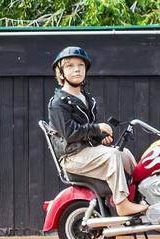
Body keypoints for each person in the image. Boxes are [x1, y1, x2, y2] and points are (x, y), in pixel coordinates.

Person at [47, 46, 146, 218]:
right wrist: (97, 128)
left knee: (126, 155)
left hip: (87, 152)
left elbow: (87, 130)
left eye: (81, 65)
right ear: (60, 73)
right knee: (112, 155)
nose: (77, 69)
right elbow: (70, 133)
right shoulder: (58, 103)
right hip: (73, 157)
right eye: (70, 66)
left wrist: (101, 138)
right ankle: (122, 204)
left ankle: (139, 197)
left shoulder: (87, 98)